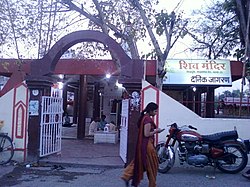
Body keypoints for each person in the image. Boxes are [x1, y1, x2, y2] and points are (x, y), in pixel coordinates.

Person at [121, 102, 164, 187]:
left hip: (143, 145)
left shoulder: (144, 118)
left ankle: (127, 175)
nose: (156, 113)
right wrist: (157, 131)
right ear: (151, 111)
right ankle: (152, 184)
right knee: (152, 166)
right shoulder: (147, 120)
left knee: (139, 163)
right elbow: (146, 134)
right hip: (147, 146)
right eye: (155, 111)